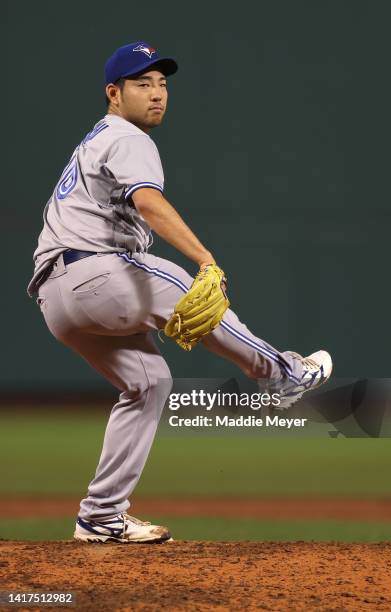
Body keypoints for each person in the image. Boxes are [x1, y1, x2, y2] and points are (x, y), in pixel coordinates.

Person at [27, 41, 333, 544]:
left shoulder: (94, 141)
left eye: (162, 83)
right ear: (113, 92)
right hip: (96, 273)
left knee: (148, 381)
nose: (156, 94)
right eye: (141, 83)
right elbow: (146, 200)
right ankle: (284, 376)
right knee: (185, 285)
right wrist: (205, 257)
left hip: (56, 300)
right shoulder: (126, 136)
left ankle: (100, 515)